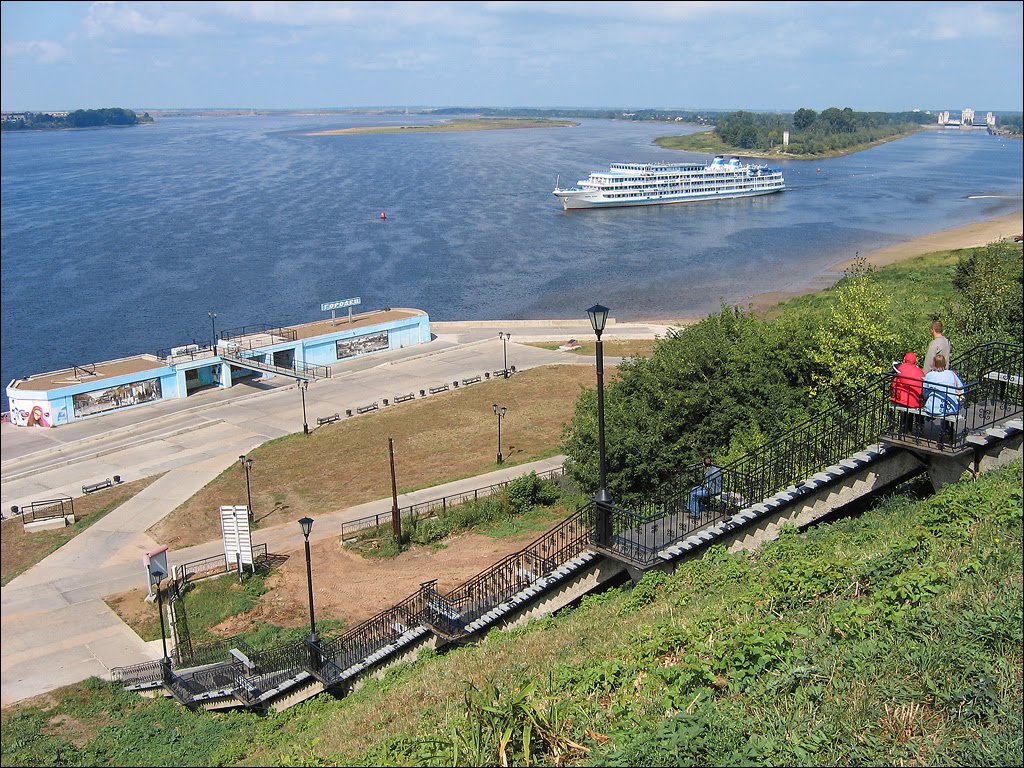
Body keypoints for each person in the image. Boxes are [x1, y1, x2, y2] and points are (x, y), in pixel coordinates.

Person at [891, 352, 925, 433]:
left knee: (897, 380)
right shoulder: (920, 372)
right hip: (915, 401)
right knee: (916, 405)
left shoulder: (900, 368)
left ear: (905, 359)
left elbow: (894, 383)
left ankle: (904, 427)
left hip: (901, 399)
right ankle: (918, 426)